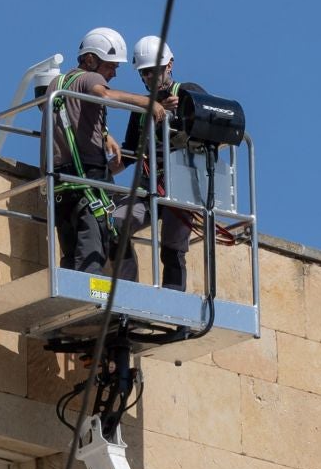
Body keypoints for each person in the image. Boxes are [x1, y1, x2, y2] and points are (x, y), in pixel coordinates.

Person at [50, 27, 162, 276]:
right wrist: (147, 103)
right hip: (87, 178)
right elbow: (102, 94)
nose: (113, 73)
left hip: (59, 181)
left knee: (71, 252)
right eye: (110, 66)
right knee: (93, 248)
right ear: (90, 59)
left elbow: (72, 116)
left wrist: (104, 134)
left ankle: (73, 304)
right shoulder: (91, 79)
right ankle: (96, 306)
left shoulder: (56, 84)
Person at [114, 34, 206, 290]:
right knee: (116, 224)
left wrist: (179, 114)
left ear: (169, 65)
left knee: (172, 249)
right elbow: (130, 154)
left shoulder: (188, 93)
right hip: (148, 188)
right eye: (144, 73)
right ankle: (126, 290)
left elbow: (210, 129)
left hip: (181, 187)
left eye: (154, 71)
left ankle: (173, 301)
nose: (149, 78)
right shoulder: (141, 109)